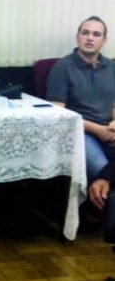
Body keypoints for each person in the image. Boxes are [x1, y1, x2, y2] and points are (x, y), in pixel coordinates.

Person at [46, 15, 115, 182]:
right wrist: (99, 130)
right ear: (78, 37)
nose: (90, 38)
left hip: (109, 129)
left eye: (96, 34)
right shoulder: (62, 67)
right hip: (81, 132)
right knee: (103, 172)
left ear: (104, 40)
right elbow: (58, 113)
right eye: (85, 33)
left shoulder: (111, 67)